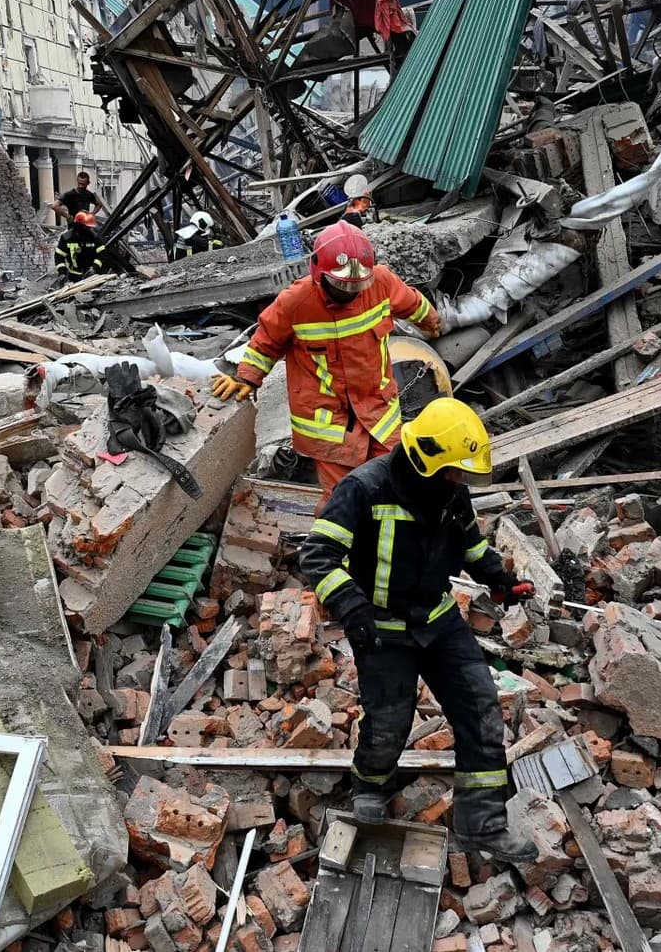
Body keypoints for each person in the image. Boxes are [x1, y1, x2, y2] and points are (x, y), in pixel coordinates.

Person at [296, 398, 537, 861]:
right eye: (453, 470)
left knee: (481, 709)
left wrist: (500, 578)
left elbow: (470, 544)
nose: (459, 479)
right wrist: (352, 607)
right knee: (389, 720)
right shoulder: (364, 488)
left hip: (439, 619)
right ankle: (368, 787)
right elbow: (317, 555)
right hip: (382, 627)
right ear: (427, 458)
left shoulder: (449, 492)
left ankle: (482, 824)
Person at [209, 221, 441, 499]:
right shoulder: (295, 302)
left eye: (357, 285)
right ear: (319, 272)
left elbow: (412, 302)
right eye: (341, 284)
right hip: (329, 424)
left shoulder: (380, 282)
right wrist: (246, 377)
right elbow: (266, 340)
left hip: (378, 410)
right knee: (342, 500)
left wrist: (432, 321)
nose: (350, 292)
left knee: (394, 485)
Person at [53, 211, 108, 279]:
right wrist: (62, 272)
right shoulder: (67, 238)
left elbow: (103, 254)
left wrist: (94, 267)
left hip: (92, 277)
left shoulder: (94, 237)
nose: (89, 229)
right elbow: (59, 257)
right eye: (87, 227)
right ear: (79, 225)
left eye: (89, 227)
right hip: (73, 276)